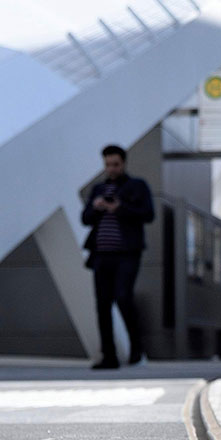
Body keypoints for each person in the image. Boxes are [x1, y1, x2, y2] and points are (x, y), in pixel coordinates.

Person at [81, 144, 155, 370]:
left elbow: (148, 214)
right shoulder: (98, 189)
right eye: (107, 165)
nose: (111, 169)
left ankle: (136, 350)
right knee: (102, 305)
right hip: (101, 255)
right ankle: (109, 356)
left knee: (124, 298)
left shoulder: (136, 186)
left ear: (123, 163)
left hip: (126, 254)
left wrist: (118, 208)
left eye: (115, 164)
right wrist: (97, 207)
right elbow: (85, 218)